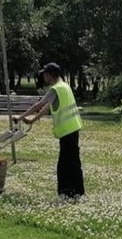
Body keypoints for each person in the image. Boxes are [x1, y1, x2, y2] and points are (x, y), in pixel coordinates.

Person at [15, 62, 85, 198]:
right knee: (73, 161)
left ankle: (66, 191)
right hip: (73, 129)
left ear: (49, 75)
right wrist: (32, 120)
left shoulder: (55, 89)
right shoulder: (65, 86)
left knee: (65, 164)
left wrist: (20, 117)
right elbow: (47, 107)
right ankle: (77, 190)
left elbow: (39, 104)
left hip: (66, 130)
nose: (44, 77)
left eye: (44, 74)